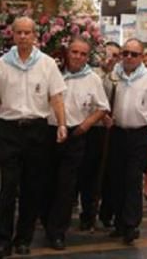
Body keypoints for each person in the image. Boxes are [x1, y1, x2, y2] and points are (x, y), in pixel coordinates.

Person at [0, 16, 67, 258]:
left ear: (34, 36)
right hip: (8, 130)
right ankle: (1, 241)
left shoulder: (47, 64)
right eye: (18, 32)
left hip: (37, 131)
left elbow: (57, 97)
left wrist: (62, 124)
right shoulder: (1, 64)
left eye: (27, 33)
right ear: (12, 35)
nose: (22, 37)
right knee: (7, 187)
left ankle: (23, 238)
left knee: (32, 187)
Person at [43, 36, 109, 250]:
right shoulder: (53, 72)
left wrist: (86, 124)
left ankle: (57, 232)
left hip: (76, 134)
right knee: (46, 181)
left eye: (82, 54)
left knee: (66, 185)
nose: (78, 57)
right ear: (67, 53)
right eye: (74, 52)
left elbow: (102, 107)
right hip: (50, 131)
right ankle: (45, 222)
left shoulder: (93, 78)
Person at [109, 38, 147, 245]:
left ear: (142, 57)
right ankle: (117, 221)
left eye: (133, 54)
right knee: (115, 179)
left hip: (139, 134)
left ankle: (131, 224)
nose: (128, 57)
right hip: (115, 133)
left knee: (133, 179)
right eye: (125, 53)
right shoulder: (112, 74)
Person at [79, 40, 120, 230]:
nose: (110, 59)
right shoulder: (90, 74)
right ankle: (85, 212)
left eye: (115, 56)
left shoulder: (118, 77)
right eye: (107, 55)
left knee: (101, 176)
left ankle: (99, 213)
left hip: (107, 132)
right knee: (84, 173)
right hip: (88, 127)